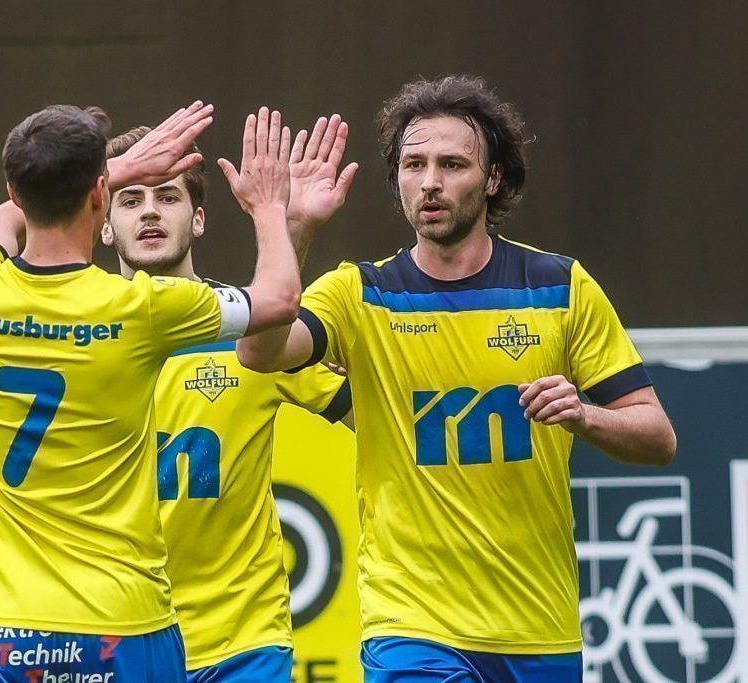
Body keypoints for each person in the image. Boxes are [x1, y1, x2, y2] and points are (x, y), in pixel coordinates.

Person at [236, 75, 677, 682]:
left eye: (452, 164)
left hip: (537, 625)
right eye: (413, 164)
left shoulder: (559, 287)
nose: (430, 182)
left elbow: (657, 437)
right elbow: (259, 351)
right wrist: (294, 227)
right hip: (411, 624)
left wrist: (584, 414)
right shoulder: (360, 293)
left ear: (493, 179)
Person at [0, 102, 301, 681]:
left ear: (15, 191)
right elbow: (280, 300)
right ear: (99, 198)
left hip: (5, 630)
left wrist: (118, 173)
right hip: (121, 623)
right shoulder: (140, 308)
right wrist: (269, 207)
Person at [100, 114, 356, 682]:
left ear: (198, 219)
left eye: (167, 197)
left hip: (242, 643)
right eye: (130, 199)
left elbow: (389, 420)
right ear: (105, 226)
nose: (149, 211)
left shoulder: (254, 335)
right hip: (120, 638)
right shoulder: (80, 340)